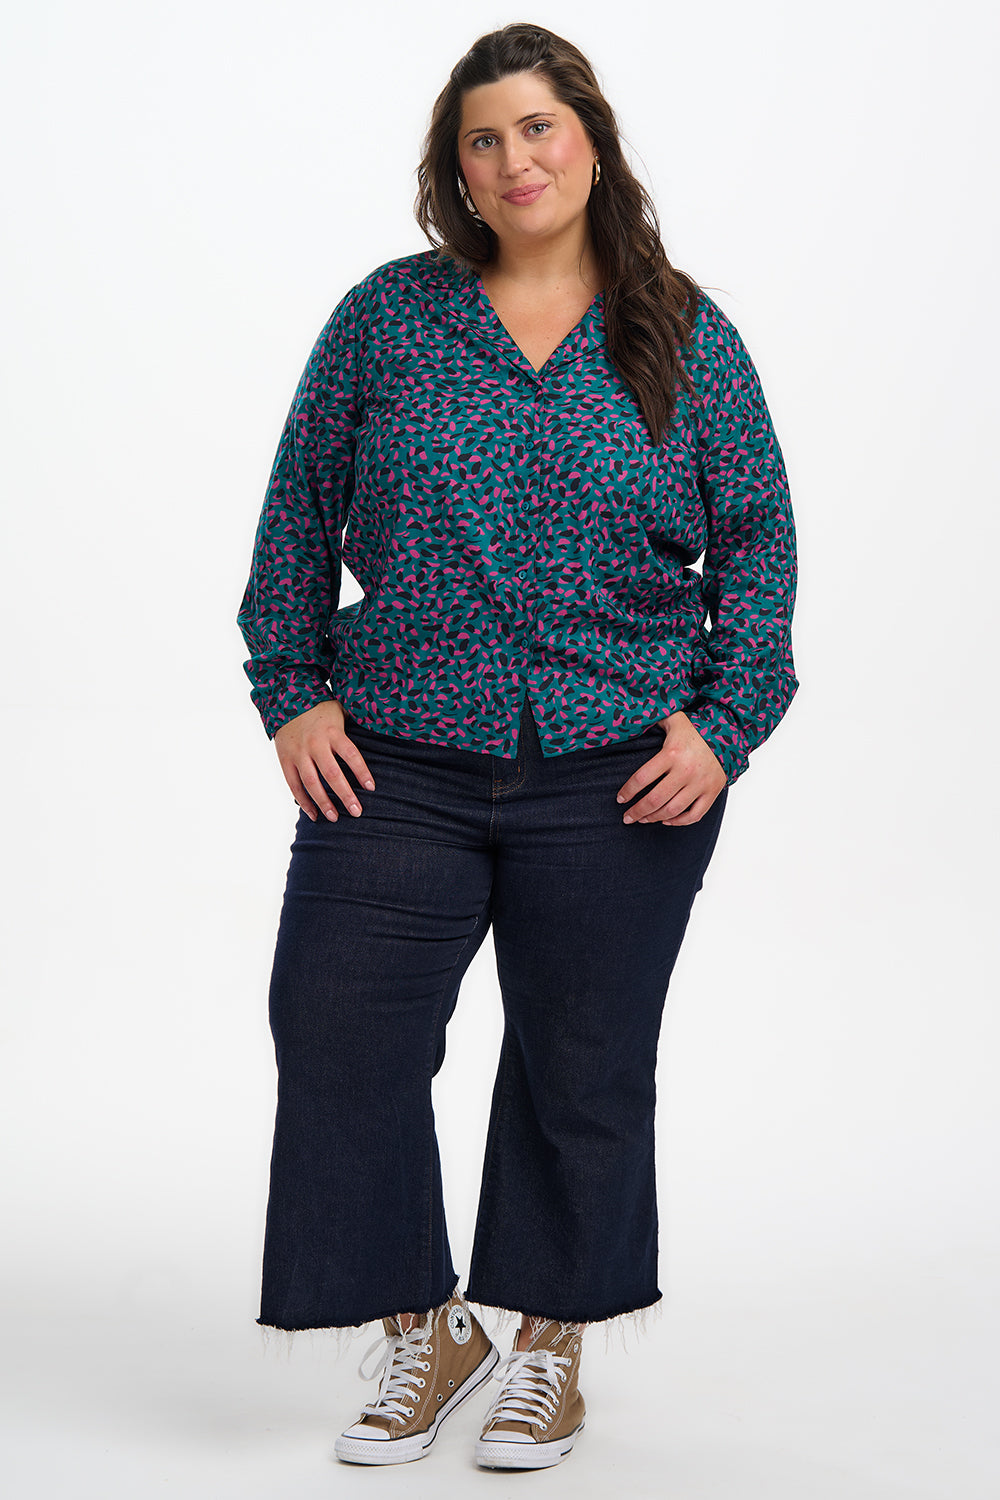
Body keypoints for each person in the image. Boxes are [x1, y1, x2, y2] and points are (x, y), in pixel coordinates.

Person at [235, 21, 798, 1473]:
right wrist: (291, 686)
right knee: (338, 1029)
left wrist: (725, 727)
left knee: (582, 1063)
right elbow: (299, 509)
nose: (514, 157)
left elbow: (761, 552)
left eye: (538, 127)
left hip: (618, 764)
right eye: (484, 138)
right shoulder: (386, 319)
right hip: (396, 755)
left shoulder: (681, 331)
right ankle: (428, 1327)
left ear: (590, 144)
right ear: (458, 172)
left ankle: (548, 1339)